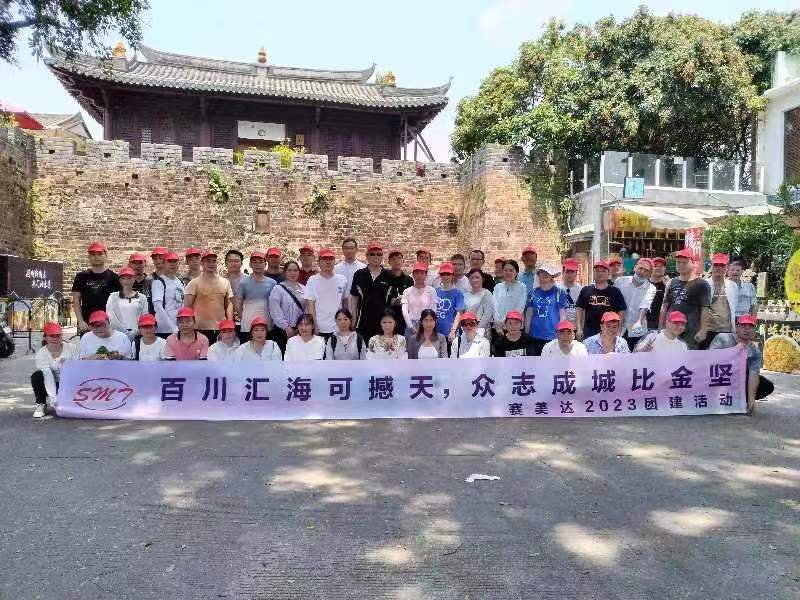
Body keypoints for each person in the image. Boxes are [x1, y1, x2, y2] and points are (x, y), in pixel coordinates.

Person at [710, 314, 773, 414]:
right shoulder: (723, 338)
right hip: (718, 376)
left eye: (750, 327)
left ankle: (741, 402)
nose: (747, 330)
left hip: (738, 378)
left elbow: (753, 375)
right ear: (737, 327)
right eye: (743, 326)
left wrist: (751, 402)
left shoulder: (755, 352)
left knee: (766, 385)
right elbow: (709, 360)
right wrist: (734, 351)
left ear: (754, 330)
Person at [659, 248, 711, 350]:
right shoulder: (671, 282)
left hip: (691, 331)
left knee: (689, 357)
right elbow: (664, 307)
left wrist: (703, 330)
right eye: (678, 262)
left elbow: (705, 309)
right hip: (671, 329)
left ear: (693, 264)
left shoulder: (702, 284)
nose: (681, 265)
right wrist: (660, 327)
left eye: (684, 262)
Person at [184, 249, 234, 344]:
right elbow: (187, 307)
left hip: (221, 328)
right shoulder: (194, 283)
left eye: (214, 261)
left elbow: (229, 304)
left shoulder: (225, 282)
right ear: (202, 263)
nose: (211, 264)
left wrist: (230, 323)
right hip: (200, 328)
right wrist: (189, 326)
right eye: (208, 261)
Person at [71, 241, 121, 335]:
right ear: (89, 257)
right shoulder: (81, 277)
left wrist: (116, 322)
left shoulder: (114, 277)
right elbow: (76, 301)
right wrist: (81, 321)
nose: (96, 257)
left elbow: (119, 303)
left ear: (106, 255)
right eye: (93, 254)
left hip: (108, 324)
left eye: (99, 254)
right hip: (88, 324)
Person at [31, 322, 78, 418]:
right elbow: (47, 376)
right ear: (45, 337)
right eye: (52, 336)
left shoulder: (72, 348)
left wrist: (69, 364)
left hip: (70, 384)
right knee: (37, 376)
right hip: (52, 385)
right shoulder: (41, 354)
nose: (56, 339)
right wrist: (53, 398)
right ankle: (41, 404)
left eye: (58, 336)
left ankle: (74, 400)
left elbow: (80, 369)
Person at [350, 241, 392, 342]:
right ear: (367, 256)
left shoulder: (389, 275)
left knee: (381, 349)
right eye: (372, 254)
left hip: (383, 323)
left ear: (382, 256)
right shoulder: (359, 274)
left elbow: (391, 301)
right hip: (363, 321)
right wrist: (354, 317)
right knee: (363, 349)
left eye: (379, 254)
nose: (375, 256)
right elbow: (354, 297)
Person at [576, 260, 627, 341]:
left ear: (608, 273)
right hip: (589, 332)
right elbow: (579, 309)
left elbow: (621, 311)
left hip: (609, 331)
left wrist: (618, 330)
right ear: (593, 273)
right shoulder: (585, 290)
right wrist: (579, 329)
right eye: (597, 271)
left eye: (603, 271)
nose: (600, 273)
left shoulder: (615, 291)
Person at [614, 258, 657, 351]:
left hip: (637, 330)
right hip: (618, 328)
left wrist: (639, 321)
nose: (642, 272)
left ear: (650, 273)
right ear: (635, 267)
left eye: (646, 270)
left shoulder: (651, 288)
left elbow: (645, 305)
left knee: (636, 356)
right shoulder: (619, 282)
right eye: (640, 268)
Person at [525, 265, 568, 355]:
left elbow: (563, 316)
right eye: (542, 272)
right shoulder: (532, 293)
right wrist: (526, 333)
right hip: (535, 335)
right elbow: (529, 315)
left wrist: (560, 333)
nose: (545, 274)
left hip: (553, 335)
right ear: (538, 275)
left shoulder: (559, 293)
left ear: (552, 275)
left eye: (548, 272)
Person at [235, 249, 276, 344]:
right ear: (250, 264)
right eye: (254, 262)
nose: (258, 265)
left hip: (266, 323)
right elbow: (238, 303)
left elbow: (274, 304)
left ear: (265, 264)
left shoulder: (272, 283)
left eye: (261, 262)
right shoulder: (243, 283)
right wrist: (243, 317)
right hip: (248, 324)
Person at [305, 248, 348, 338]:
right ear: (319, 262)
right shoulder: (312, 280)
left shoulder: (342, 279)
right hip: (320, 328)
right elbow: (310, 306)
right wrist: (314, 325)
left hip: (339, 327)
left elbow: (345, 302)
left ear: (334, 261)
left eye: (330, 259)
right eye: (324, 259)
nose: (328, 262)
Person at [700, 253, 738, 350]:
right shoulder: (703, 284)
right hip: (707, 331)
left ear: (726, 268)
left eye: (722, 265)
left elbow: (734, 307)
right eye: (716, 265)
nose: (719, 268)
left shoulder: (733, 286)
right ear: (711, 266)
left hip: (727, 331)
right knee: (706, 358)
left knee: (725, 359)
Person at [269, 260, 307, 353]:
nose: (292, 273)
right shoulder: (278, 289)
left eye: (295, 270)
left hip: (300, 330)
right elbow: (275, 310)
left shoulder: (304, 289)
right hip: (282, 331)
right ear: (285, 272)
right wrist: (286, 327)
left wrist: (302, 326)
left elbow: (307, 309)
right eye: (289, 270)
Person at [106, 266, 147, 341]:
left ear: (134, 279)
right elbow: (111, 317)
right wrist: (124, 332)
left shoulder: (142, 297)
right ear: (120, 280)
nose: (127, 281)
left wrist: (135, 331)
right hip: (118, 335)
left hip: (137, 335)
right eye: (124, 278)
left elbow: (144, 316)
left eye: (130, 278)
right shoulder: (113, 297)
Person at [150, 251, 185, 338]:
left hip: (180, 328)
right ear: (163, 264)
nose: (172, 264)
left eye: (175, 261)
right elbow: (157, 307)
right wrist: (172, 327)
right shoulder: (158, 282)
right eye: (169, 261)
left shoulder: (180, 282)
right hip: (164, 330)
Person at [401, 262, 439, 337]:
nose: (419, 276)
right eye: (417, 273)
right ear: (413, 275)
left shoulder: (431, 291)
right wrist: (410, 326)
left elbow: (433, 310)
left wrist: (428, 324)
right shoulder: (407, 291)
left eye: (422, 273)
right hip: (411, 323)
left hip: (427, 324)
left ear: (426, 275)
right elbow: (404, 310)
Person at [492, 259, 527, 338]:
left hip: (514, 326)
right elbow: (494, 305)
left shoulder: (522, 287)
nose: (508, 272)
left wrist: (505, 321)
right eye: (505, 270)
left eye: (511, 270)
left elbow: (520, 307)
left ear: (516, 272)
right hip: (498, 327)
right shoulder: (498, 287)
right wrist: (498, 321)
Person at [385, 249, 413, 335]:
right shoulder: (384, 278)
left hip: (403, 318)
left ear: (403, 261)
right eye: (393, 259)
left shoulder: (408, 280)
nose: (396, 261)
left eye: (399, 258)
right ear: (389, 262)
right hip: (387, 317)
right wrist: (390, 301)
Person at [435, 262, 465, 342]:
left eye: (448, 274)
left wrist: (453, 331)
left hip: (450, 334)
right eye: (443, 274)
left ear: (452, 275)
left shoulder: (458, 293)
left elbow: (459, 313)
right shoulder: (435, 291)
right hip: (436, 333)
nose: (445, 276)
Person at [463, 267, 495, 337]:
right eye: (472, 278)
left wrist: (476, 330)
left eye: (477, 277)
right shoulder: (465, 295)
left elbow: (487, 315)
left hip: (481, 331)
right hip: (467, 328)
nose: (474, 280)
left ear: (482, 279)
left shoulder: (486, 293)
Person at [646, 257, 669, 332]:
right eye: (655, 266)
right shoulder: (644, 284)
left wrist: (668, 287)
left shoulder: (669, 285)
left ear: (665, 269)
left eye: (661, 266)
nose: (658, 268)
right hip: (644, 324)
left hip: (662, 325)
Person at [559, 258, 583, 327]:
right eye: (567, 271)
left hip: (576, 326)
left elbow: (582, 311)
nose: (569, 274)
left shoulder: (581, 290)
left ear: (576, 273)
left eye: (572, 272)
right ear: (563, 273)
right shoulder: (557, 289)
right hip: (560, 327)